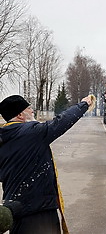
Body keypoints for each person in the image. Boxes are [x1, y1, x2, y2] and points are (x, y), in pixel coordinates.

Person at [0, 94, 93, 234]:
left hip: (14, 212)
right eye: (29, 108)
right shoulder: (32, 132)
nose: (32, 111)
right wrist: (83, 104)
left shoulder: (4, 138)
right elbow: (61, 122)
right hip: (39, 213)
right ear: (20, 114)